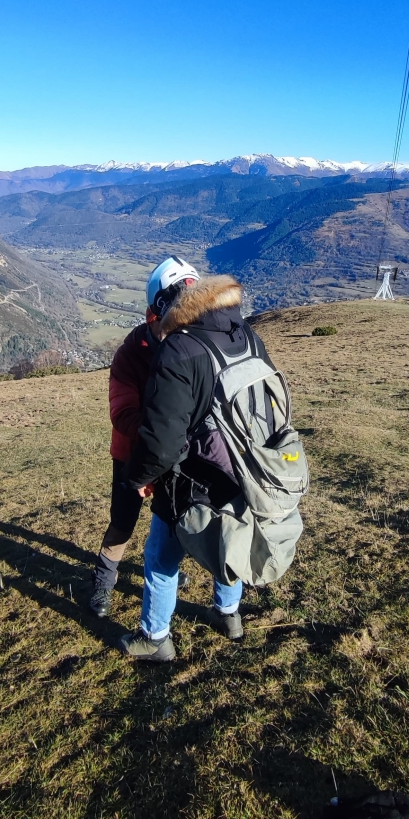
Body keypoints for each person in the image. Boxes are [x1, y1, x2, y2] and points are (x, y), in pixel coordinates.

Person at [119, 270, 274, 662]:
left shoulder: (179, 350)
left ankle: (155, 638)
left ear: (161, 306)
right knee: (231, 542)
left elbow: (163, 437)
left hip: (189, 479)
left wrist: (140, 477)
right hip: (242, 466)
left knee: (161, 557)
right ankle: (228, 615)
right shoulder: (244, 333)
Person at [89, 256, 200, 617]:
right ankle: (103, 583)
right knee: (122, 523)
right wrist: (157, 441)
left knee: (171, 518)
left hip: (174, 453)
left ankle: (167, 569)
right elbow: (121, 413)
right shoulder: (128, 355)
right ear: (157, 312)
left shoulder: (189, 347)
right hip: (133, 455)